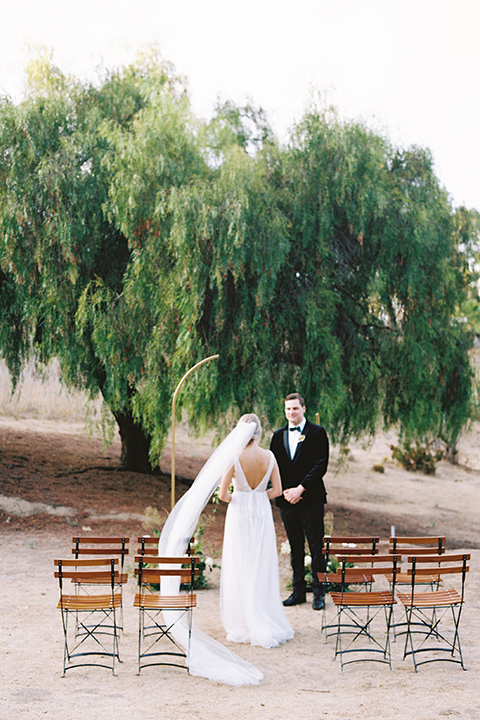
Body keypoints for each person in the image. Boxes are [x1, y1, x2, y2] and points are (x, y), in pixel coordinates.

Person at [218, 413, 294, 648]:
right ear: (259, 432)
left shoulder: (234, 456)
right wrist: (258, 495)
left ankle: (243, 619)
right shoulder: (269, 457)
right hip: (261, 511)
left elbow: (222, 495)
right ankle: (262, 613)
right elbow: (278, 490)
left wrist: (240, 497)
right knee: (260, 561)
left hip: (239, 511)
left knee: (240, 561)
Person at [270, 393, 329, 611]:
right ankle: (297, 592)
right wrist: (283, 492)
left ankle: (319, 593)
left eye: (295, 408)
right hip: (286, 501)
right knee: (295, 548)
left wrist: (300, 488)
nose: (291, 413)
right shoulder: (277, 436)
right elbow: (273, 466)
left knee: (316, 548)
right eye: (288, 409)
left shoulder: (317, 432)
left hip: (310, 498)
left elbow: (320, 465)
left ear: (303, 408)